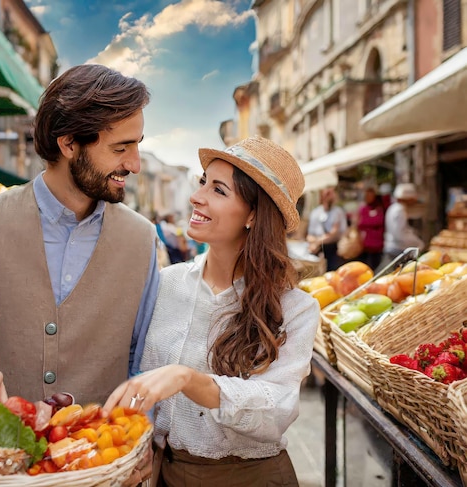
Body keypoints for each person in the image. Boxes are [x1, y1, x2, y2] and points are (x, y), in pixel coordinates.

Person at [0, 64, 160, 416]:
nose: (134, 164)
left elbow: (143, 363)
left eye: (137, 146)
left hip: (97, 461)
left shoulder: (141, 238)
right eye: (121, 148)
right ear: (69, 143)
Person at [103, 136, 320, 487]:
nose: (196, 197)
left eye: (219, 190)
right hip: (163, 472)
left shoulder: (295, 308)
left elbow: (276, 410)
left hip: (248, 478)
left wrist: (189, 379)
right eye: (203, 181)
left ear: (253, 214)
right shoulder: (166, 284)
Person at [381, 182, 424, 267]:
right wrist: (418, 243)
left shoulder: (394, 207)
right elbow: (400, 234)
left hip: (394, 248)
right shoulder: (399, 210)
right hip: (397, 250)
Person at [306, 187, 347, 271]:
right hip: (318, 250)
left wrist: (317, 243)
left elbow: (335, 234)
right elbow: (309, 235)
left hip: (333, 249)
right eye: (327, 193)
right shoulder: (315, 212)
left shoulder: (338, 212)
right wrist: (315, 243)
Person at [357, 185, 385, 270]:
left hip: (378, 245)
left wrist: (368, 223)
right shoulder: (363, 209)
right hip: (365, 245)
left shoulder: (379, 208)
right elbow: (360, 223)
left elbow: (380, 221)